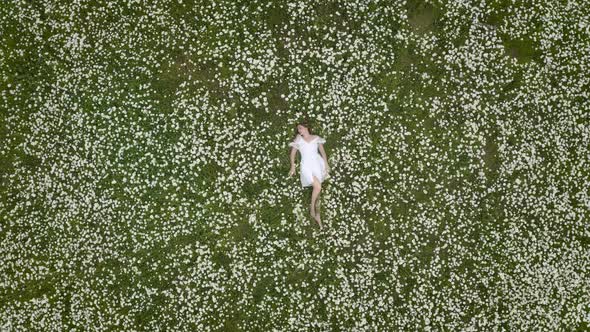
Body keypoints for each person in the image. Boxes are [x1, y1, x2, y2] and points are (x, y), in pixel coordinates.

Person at [288, 122, 330, 229]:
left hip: (317, 164)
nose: (299, 131)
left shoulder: (316, 138)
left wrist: (326, 164)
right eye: (298, 129)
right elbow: (293, 153)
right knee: (318, 187)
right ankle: (312, 209)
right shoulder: (299, 139)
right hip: (306, 166)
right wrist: (293, 166)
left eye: (300, 128)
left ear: (306, 128)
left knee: (318, 191)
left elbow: (323, 152)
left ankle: (318, 215)